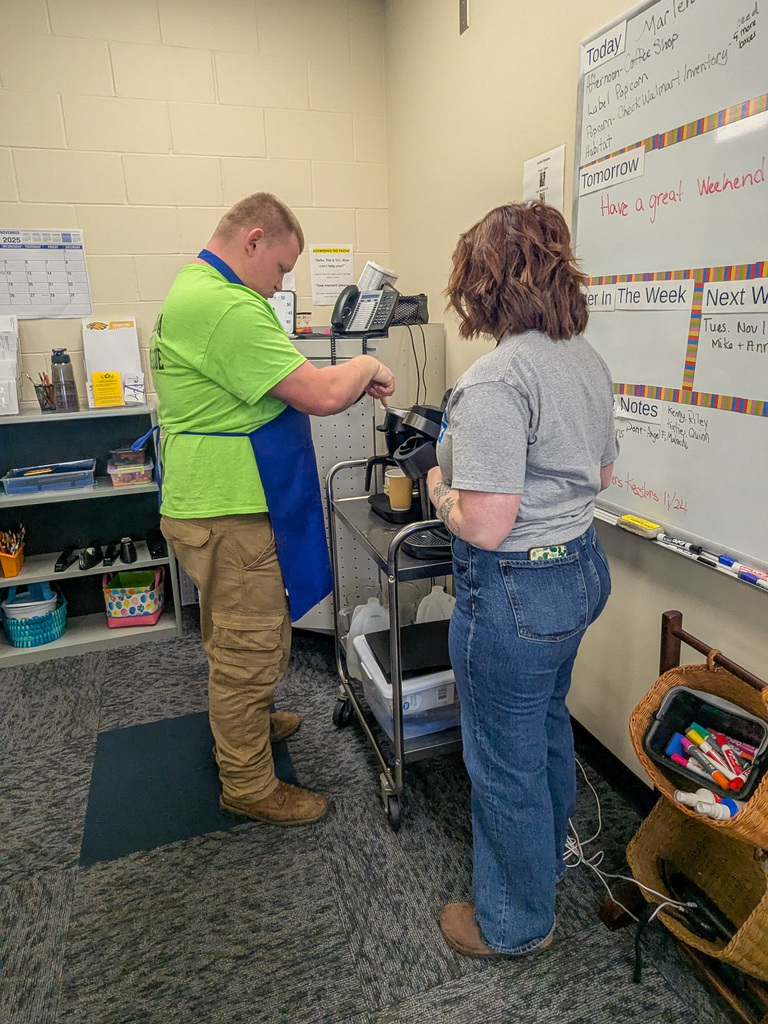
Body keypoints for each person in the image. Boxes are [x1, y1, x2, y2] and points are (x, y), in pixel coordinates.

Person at [150, 192, 395, 826]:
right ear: (253, 240)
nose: (281, 284)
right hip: (226, 514)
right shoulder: (224, 305)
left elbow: (278, 377)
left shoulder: (200, 291)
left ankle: (247, 723)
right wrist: (365, 362)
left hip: (209, 506)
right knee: (249, 647)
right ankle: (249, 783)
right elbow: (316, 392)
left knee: (233, 633)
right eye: (282, 267)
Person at [427, 201, 618, 956]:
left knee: (500, 760)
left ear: (484, 284)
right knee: (544, 725)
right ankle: (546, 863)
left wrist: (442, 487)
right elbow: (601, 472)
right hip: (580, 573)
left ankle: (513, 923)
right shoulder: (585, 360)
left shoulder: (495, 380)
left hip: (514, 593)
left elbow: (486, 523)